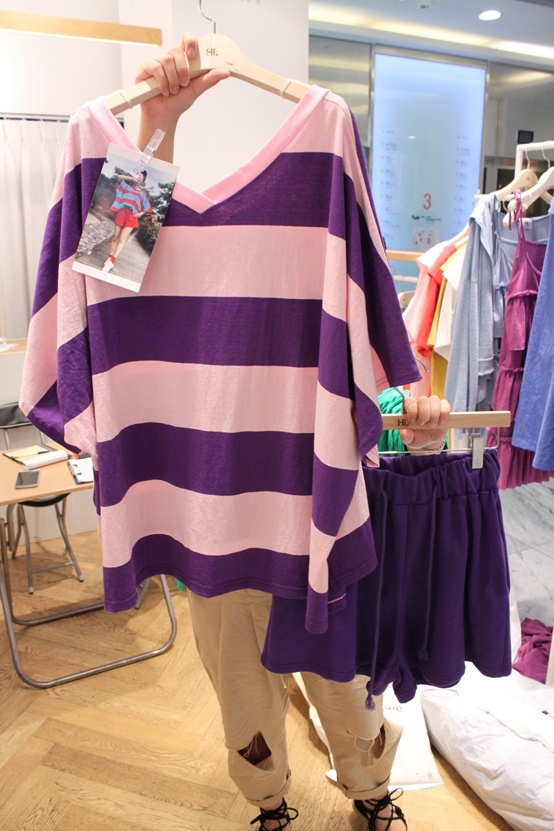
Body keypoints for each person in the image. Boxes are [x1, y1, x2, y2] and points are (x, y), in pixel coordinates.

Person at [132, 34, 451, 831]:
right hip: (211, 522)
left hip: (318, 517)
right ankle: (270, 804)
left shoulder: (326, 172)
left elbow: (370, 374)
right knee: (241, 693)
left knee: (346, 687)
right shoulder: (149, 235)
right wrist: (157, 124)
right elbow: (108, 262)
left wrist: (415, 421)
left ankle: (370, 791)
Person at [102, 170, 151, 272]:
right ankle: (109, 258)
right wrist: (131, 178)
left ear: (143, 181)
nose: (138, 179)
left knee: (121, 239)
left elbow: (147, 207)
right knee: (115, 237)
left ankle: (112, 261)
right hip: (122, 213)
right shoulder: (126, 187)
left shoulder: (143, 194)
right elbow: (118, 177)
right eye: (138, 176)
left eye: (141, 178)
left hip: (132, 216)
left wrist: (140, 213)